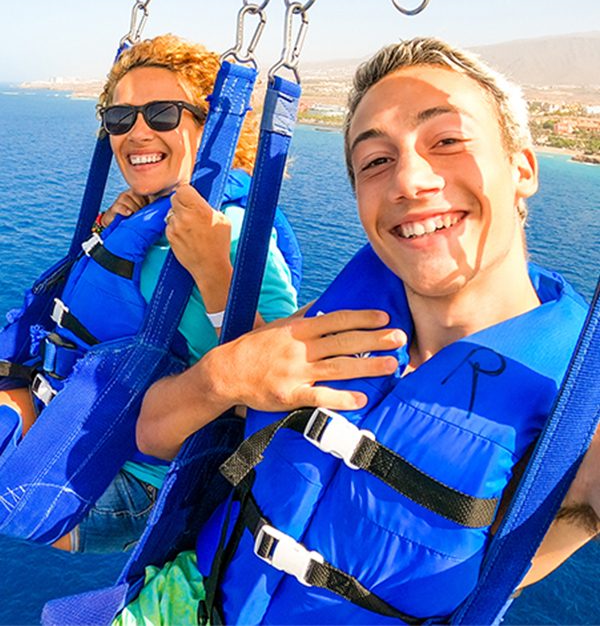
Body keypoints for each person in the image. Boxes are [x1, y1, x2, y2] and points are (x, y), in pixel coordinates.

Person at [115, 37, 599, 624]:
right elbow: (151, 431)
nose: (410, 181)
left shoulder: (580, 413)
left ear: (522, 168)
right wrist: (226, 374)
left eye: (447, 141)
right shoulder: (334, 322)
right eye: (376, 160)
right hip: (182, 602)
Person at [0, 34, 298, 554]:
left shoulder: (230, 226)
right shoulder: (146, 212)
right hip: (76, 422)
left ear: (210, 129)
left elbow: (286, 377)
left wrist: (213, 269)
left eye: (162, 114)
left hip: (130, 478)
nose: (136, 132)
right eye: (120, 119)